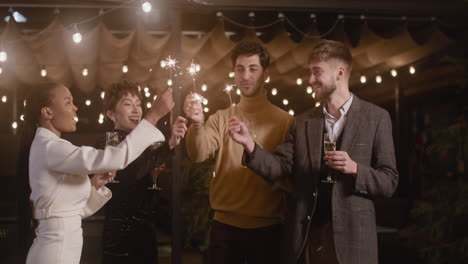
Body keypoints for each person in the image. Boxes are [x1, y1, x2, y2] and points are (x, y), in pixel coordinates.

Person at [228, 39, 399, 264]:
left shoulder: (376, 118)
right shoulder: (303, 122)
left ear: (339, 73)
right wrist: (249, 144)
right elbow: (280, 168)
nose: (310, 80)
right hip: (308, 237)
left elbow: (389, 181)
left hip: (354, 241)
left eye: (316, 72)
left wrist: (355, 168)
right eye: (310, 72)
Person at [19, 82, 174, 264]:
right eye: (68, 102)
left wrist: (93, 185)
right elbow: (115, 158)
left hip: (58, 250)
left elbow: (72, 211)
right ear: (47, 112)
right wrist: (154, 115)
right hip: (55, 253)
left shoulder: (49, 146)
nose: (75, 108)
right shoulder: (50, 147)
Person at [183, 40, 294, 264]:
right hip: (224, 227)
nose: (245, 76)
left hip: (268, 229)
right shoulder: (221, 117)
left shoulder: (285, 121)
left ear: (266, 74)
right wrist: (196, 125)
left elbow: (288, 175)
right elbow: (198, 154)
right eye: (240, 69)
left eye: (253, 69)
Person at [98, 80, 187, 263]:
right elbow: (135, 170)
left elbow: (147, 165)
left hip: (145, 229)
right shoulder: (110, 140)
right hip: (120, 232)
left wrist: (171, 142)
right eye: (128, 104)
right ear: (111, 114)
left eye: (138, 104)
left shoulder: (141, 141)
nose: (136, 110)